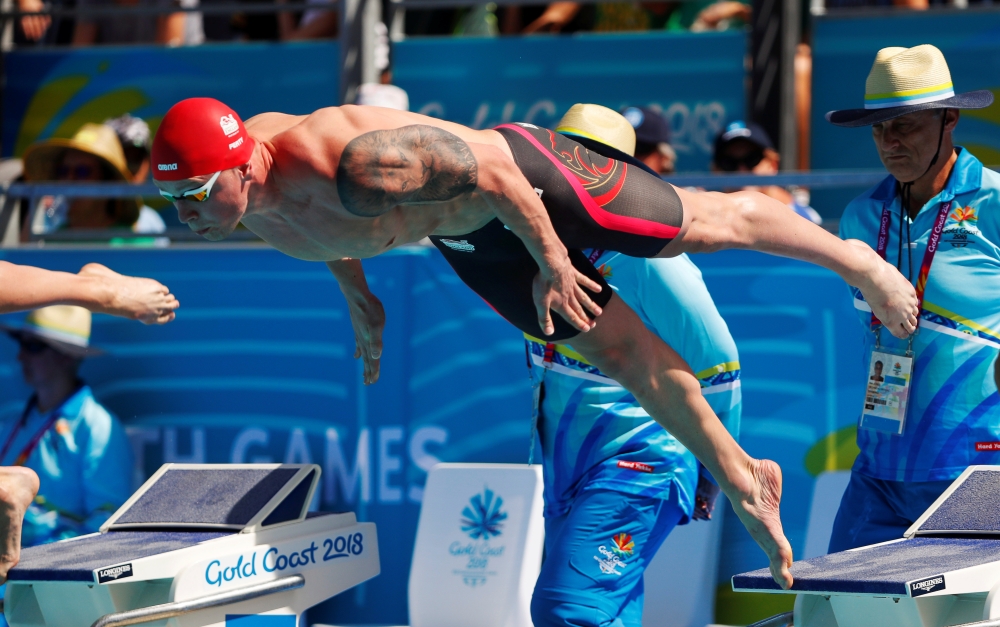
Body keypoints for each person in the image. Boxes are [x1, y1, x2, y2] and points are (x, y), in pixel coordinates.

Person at [150, 97, 922, 588]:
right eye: (170, 197)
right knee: (621, 356)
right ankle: (746, 479)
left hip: (528, 179)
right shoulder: (241, 203)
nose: (184, 211)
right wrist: (362, 303)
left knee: (701, 225)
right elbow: (321, 236)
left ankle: (859, 261)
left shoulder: (350, 162)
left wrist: (556, 258)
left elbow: (490, 172)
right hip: (468, 242)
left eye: (192, 193)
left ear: (245, 163)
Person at [526, 105, 739, 627]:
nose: (570, 178)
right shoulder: (533, 244)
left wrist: (719, 466)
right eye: (560, 162)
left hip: (639, 459)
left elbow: (719, 364)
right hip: (569, 465)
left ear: (618, 179)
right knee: (610, 614)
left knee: (569, 610)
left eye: (589, 165)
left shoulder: (650, 258)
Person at [827, 44, 999, 552]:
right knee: (829, 612)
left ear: (950, 118)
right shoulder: (860, 216)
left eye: (905, 124)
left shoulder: (993, 202)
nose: (889, 141)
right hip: (879, 469)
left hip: (977, 466)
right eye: (879, 128)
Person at [0, 306, 133, 547]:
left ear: (66, 356)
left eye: (33, 346)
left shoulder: (99, 427)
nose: (20, 356)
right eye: (21, 343)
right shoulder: (11, 421)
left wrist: (43, 545)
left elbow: (108, 525)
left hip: (51, 580)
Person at [23, 123, 164, 236]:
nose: (69, 179)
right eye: (63, 171)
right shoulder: (48, 242)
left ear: (109, 181)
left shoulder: (138, 243)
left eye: (82, 172)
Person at [712, 120, 821, 225]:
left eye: (752, 159)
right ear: (716, 171)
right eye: (729, 163)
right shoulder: (709, 224)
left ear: (773, 164)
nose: (742, 171)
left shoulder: (806, 221)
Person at [104, 114, 168, 234]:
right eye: (124, 155)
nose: (132, 168)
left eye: (138, 157)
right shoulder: (69, 219)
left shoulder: (152, 223)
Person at [619, 106, 676, 175]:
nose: (627, 158)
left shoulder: (688, 184)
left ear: (664, 158)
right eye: (620, 149)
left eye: (639, 149)